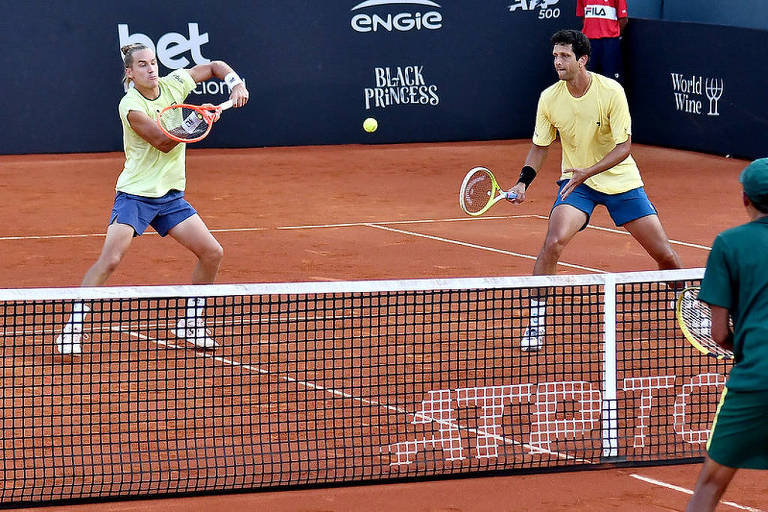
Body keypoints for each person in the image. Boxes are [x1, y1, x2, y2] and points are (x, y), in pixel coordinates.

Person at [55, 43, 249, 355]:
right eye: (143, 65)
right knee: (111, 259)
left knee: (212, 252)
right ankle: (72, 328)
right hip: (136, 195)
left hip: (171, 197)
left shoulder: (173, 85)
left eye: (153, 62)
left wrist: (235, 82)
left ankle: (191, 322)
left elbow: (214, 66)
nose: (151, 69)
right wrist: (199, 119)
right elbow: (161, 141)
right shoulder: (130, 106)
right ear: (130, 73)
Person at [505, 29, 681, 351]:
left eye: (565, 56)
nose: (558, 61)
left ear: (582, 59)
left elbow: (624, 146)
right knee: (554, 242)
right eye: (555, 55)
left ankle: (685, 303)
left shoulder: (611, 92)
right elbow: (540, 147)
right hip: (577, 184)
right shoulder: (550, 98)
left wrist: (589, 170)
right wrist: (522, 181)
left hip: (621, 181)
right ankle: (536, 322)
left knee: (664, 254)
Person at [685, 158, 768, 511]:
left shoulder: (729, 244)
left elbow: (718, 333)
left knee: (710, 484)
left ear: (745, 199)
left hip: (754, 382)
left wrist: (745, 349)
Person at [576, 0, 628, 84]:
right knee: (588, 79)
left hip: (610, 42)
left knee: (611, 79)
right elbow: (583, 16)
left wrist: (613, 33)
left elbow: (623, 19)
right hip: (589, 42)